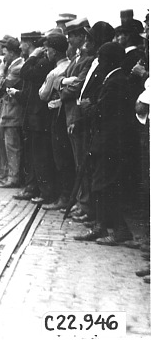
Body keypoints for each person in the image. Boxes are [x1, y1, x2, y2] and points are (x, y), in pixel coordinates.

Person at [74, 43, 136, 244]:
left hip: (110, 142)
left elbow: (103, 111)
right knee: (100, 184)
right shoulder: (114, 79)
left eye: (101, 58)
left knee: (106, 185)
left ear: (109, 60)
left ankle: (119, 230)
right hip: (106, 141)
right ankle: (102, 226)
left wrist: (87, 108)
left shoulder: (116, 81)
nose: (98, 62)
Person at [55, 18, 94, 220]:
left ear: (82, 36)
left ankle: (85, 203)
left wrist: (62, 87)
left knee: (82, 161)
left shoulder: (87, 59)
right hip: (70, 114)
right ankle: (80, 201)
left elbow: (77, 86)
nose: (69, 39)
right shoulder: (77, 58)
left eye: (73, 35)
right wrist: (64, 83)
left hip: (77, 116)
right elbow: (64, 81)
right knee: (77, 160)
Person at [12, 32, 55, 202]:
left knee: (40, 156)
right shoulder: (39, 62)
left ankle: (43, 192)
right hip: (32, 116)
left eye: (23, 43)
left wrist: (32, 57)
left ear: (30, 44)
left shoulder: (42, 62)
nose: (20, 46)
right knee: (33, 155)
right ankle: (33, 188)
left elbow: (24, 73)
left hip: (39, 118)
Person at [38, 32, 74, 210]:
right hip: (68, 114)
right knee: (68, 156)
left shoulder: (54, 72)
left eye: (48, 49)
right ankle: (67, 196)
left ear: (55, 51)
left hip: (56, 115)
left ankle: (64, 197)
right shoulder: (72, 65)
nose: (46, 52)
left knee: (60, 156)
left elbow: (43, 94)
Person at [0, 36, 24, 188]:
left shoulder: (17, 67)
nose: (3, 56)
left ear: (12, 53)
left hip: (13, 112)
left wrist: (1, 69)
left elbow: (2, 83)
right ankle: (9, 174)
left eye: (5, 53)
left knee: (12, 145)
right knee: (8, 144)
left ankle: (13, 177)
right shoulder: (13, 66)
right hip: (8, 111)